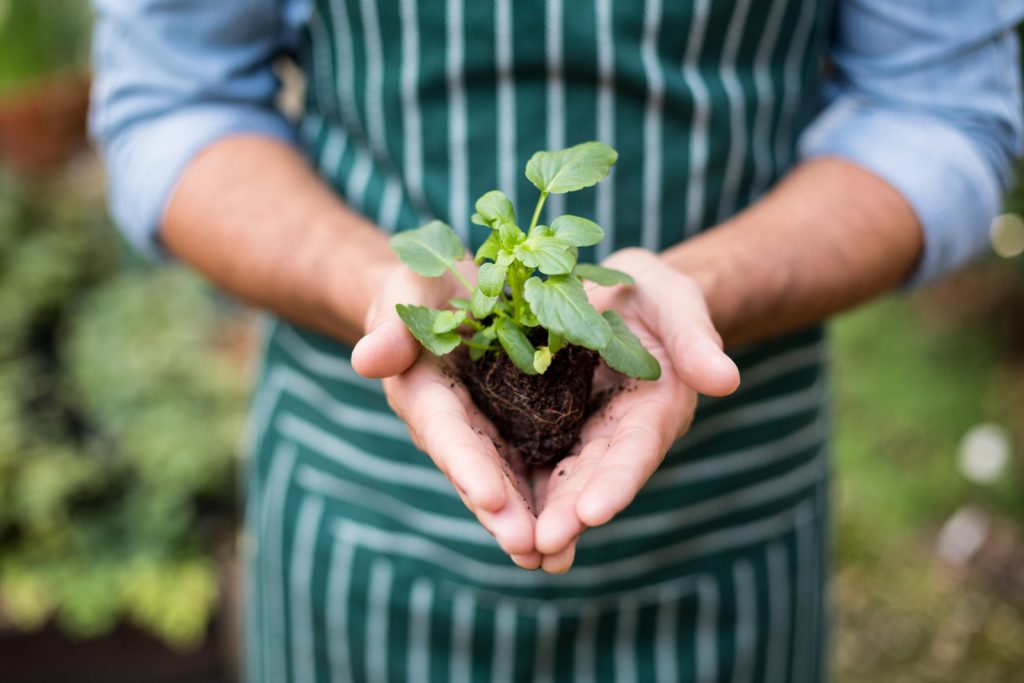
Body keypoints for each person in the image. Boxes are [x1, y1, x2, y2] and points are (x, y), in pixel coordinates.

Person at [90, 0, 1023, 680]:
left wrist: (700, 292)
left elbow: (937, 110)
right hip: (361, 507)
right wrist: (373, 284)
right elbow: (176, 97)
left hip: (726, 514)